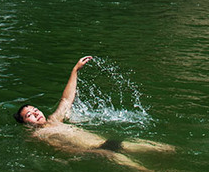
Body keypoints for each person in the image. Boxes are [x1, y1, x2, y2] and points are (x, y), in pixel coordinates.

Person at [14, 56, 174, 159]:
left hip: (109, 142)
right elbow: (64, 149)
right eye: (29, 115)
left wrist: (75, 70)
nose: (35, 113)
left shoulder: (55, 119)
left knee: (168, 149)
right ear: (25, 123)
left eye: (35, 110)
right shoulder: (38, 135)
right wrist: (94, 153)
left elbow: (66, 99)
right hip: (100, 151)